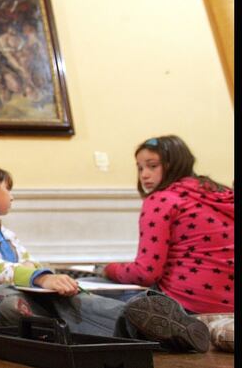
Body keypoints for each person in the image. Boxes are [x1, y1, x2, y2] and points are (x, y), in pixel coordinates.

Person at [0, 163, 211, 353]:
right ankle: (142, 329)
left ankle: (148, 326)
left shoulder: (5, 233)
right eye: (8, 188)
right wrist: (40, 277)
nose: (12, 196)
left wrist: (54, 280)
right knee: (11, 300)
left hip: (20, 286)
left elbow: (29, 264)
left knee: (69, 297)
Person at [98, 135, 234, 314]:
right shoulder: (224, 195)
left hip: (188, 306)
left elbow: (145, 273)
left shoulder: (161, 199)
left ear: (174, 163)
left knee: (86, 292)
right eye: (140, 168)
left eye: (152, 166)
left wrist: (108, 268)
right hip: (228, 305)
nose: (144, 175)